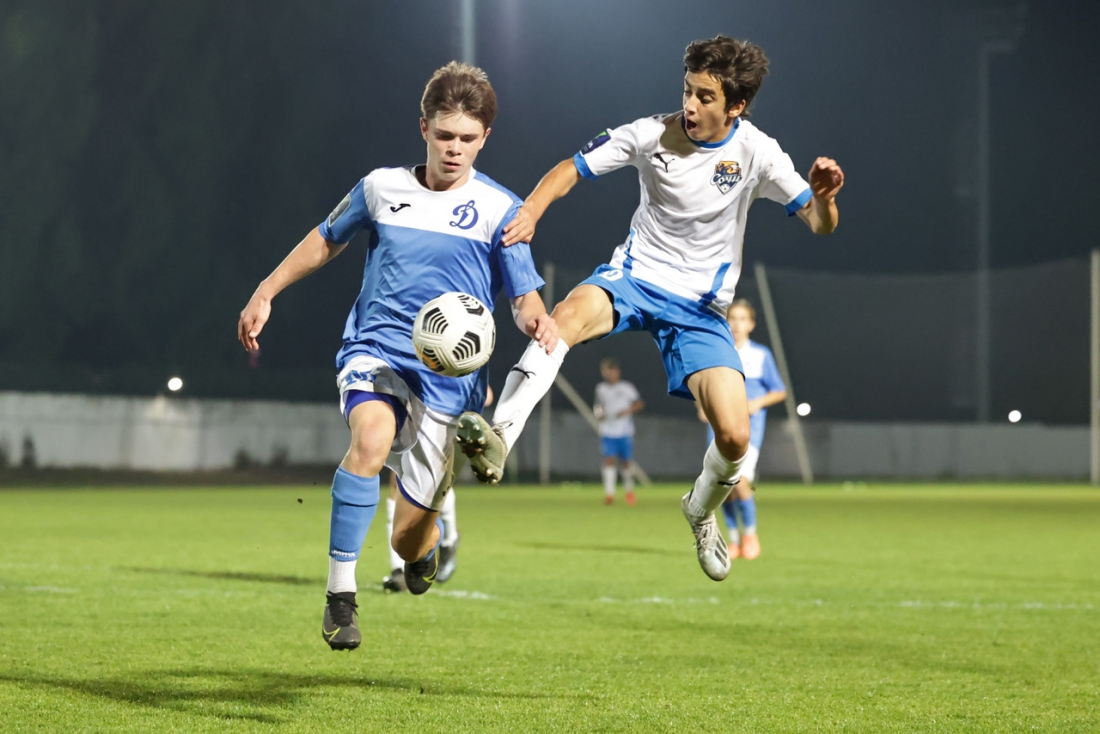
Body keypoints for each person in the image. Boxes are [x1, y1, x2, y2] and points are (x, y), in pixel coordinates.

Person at [455, 35, 843, 582]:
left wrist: (825, 198)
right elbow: (571, 168)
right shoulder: (649, 133)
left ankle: (700, 510)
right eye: (687, 90)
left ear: (736, 105)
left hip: (702, 309)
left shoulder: (759, 153)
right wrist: (533, 210)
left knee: (735, 437)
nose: (690, 105)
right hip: (635, 278)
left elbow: (821, 225)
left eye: (705, 97)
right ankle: (500, 437)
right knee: (565, 317)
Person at [237, 62, 557, 651]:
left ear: (485, 138)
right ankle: (340, 596)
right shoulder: (381, 188)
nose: (454, 149)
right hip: (376, 350)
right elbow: (326, 238)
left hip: (450, 385)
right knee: (370, 440)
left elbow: (523, 298)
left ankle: (425, 548)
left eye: (467, 138)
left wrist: (536, 319)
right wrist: (267, 290)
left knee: (409, 541)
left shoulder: (502, 210)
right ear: (423, 128)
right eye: (445, 135)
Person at [696, 299, 786, 560]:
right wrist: (701, 405)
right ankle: (733, 540)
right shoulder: (717, 352)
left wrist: (757, 402)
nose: (736, 324)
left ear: (751, 324)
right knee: (722, 487)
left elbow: (779, 391)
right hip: (719, 428)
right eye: (732, 318)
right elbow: (702, 384)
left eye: (742, 319)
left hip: (748, 431)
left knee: (741, 482)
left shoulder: (760, 355)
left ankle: (750, 534)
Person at [382, 385, 493, 592]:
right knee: (397, 483)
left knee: (438, 484)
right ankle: (398, 568)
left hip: (438, 418)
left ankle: (449, 541)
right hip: (407, 415)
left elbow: (486, 394)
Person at [593, 358, 644, 505]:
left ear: (617, 372)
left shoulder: (626, 387)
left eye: (612, 371)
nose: (609, 374)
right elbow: (597, 405)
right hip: (608, 430)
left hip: (625, 431)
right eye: (606, 371)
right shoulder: (601, 388)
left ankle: (629, 491)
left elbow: (639, 403)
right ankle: (609, 493)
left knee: (626, 462)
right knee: (609, 460)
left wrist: (627, 411)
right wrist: (599, 414)